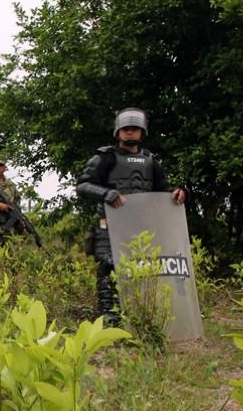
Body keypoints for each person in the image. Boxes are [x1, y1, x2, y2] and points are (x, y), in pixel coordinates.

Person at [76, 107, 186, 326]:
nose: (129, 133)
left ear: (141, 132)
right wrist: (106, 193)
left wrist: (178, 192)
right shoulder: (106, 157)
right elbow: (83, 185)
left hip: (141, 225)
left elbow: (163, 189)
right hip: (110, 223)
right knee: (109, 267)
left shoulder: (150, 160)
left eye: (134, 129)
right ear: (118, 132)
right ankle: (110, 317)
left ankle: (140, 314)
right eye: (125, 129)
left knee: (143, 268)